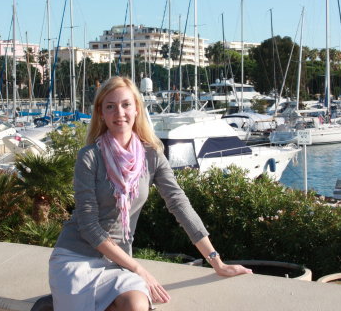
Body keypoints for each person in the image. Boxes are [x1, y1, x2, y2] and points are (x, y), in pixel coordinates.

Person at [49, 76, 252, 311]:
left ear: (137, 109)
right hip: (76, 259)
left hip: (118, 262)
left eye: (126, 104)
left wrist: (216, 261)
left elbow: (179, 204)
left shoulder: (152, 155)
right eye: (110, 106)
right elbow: (88, 226)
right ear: (101, 113)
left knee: (136, 305)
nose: (119, 113)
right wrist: (138, 269)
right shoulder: (90, 156)